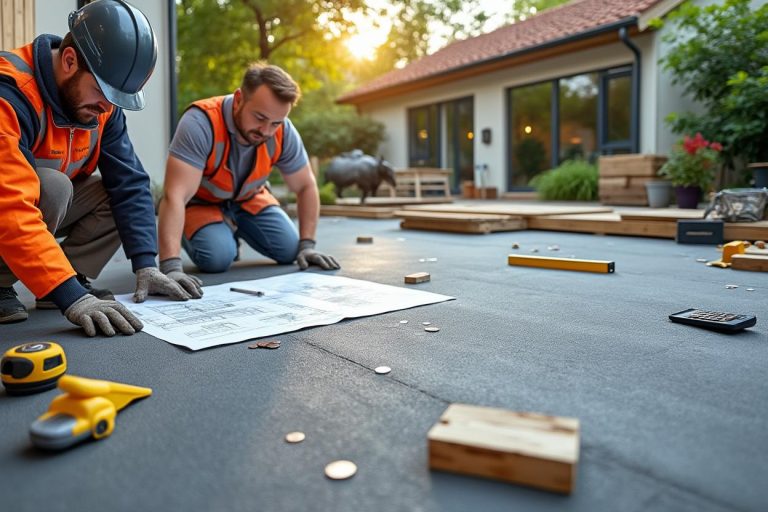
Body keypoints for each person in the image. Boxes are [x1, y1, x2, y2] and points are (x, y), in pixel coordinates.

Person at [0, 0, 202, 337]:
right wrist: (72, 300)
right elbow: (10, 206)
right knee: (53, 186)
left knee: (117, 191)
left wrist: (146, 264)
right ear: (69, 61)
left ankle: (66, 276)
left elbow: (130, 183)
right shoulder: (10, 93)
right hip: (9, 204)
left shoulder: (101, 106)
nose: (107, 106)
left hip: (30, 207)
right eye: (103, 92)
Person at [158, 62, 339, 275]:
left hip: (249, 199)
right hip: (200, 203)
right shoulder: (200, 122)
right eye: (260, 118)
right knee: (217, 258)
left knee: (292, 250)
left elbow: (306, 186)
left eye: (276, 123)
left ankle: (231, 229)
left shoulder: (283, 131)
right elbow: (175, 196)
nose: (266, 131)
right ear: (238, 100)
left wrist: (307, 246)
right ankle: (219, 236)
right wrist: (170, 266)